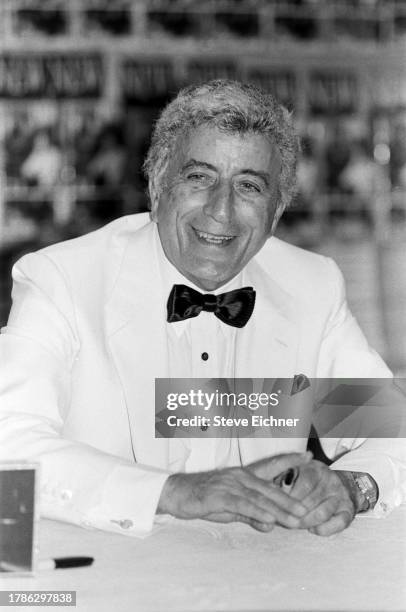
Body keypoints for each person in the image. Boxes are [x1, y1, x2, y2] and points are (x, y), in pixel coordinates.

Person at [0, 80, 404, 539]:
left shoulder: (309, 288)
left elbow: (392, 432)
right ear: (156, 185)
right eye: (199, 177)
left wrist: (351, 487)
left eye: (249, 186)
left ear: (276, 211)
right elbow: (8, 445)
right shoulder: (64, 281)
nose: (222, 211)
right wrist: (175, 493)